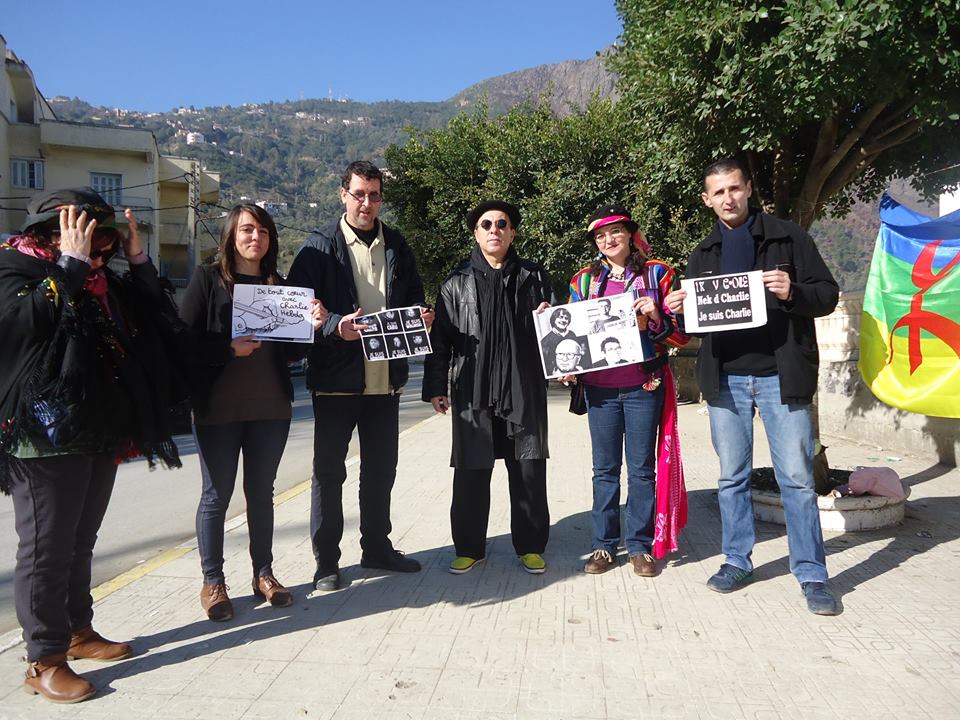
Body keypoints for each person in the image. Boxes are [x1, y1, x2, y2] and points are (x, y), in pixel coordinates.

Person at [0, 188, 186, 703]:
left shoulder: (103, 278)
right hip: (42, 437)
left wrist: (137, 259)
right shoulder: (16, 267)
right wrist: (71, 266)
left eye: (107, 243)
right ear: (51, 234)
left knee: (80, 541)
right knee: (45, 550)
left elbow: (158, 313)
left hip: (99, 427)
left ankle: (78, 632)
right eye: (93, 240)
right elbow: (21, 327)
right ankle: (44, 659)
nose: (101, 254)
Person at [664, 158, 841, 615]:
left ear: (748, 190)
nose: (728, 198)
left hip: (782, 377)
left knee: (798, 481)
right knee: (732, 478)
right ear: (707, 200)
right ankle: (737, 560)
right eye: (718, 192)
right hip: (726, 380)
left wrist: (792, 290)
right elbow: (695, 327)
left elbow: (827, 295)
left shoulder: (788, 237)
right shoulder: (702, 254)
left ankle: (811, 573)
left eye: (735, 189)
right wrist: (677, 309)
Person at [286, 161, 433, 592]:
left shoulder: (397, 244)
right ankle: (326, 563)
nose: (366, 203)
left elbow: (413, 296)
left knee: (381, 469)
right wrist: (334, 327)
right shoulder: (318, 247)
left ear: (381, 198)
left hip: (385, 380)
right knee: (329, 473)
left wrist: (421, 315)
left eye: (373, 195)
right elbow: (298, 311)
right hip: (335, 380)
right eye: (358, 194)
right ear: (342, 194)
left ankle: (377, 548)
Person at [180, 203, 327, 621]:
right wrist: (228, 347)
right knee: (216, 496)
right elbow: (184, 340)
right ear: (231, 235)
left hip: (271, 408)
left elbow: (294, 353)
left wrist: (311, 325)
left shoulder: (279, 286)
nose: (254, 238)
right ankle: (213, 582)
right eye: (246, 230)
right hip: (218, 409)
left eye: (262, 231)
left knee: (261, 494)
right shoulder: (208, 279)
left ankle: (264, 574)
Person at [423, 200, 554, 575]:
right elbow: (441, 340)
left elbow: (558, 331)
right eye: (486, 224)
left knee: (528, 470)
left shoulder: (535, 277)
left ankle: (530, 545)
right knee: (470, 472)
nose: (494, 229)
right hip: (473, 390)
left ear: (512, 232)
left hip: (523, 388)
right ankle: (469, 547)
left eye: (502, 223)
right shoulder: (455, 283)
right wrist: (437, 385)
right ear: (476, 233)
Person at [568, 205, 689, 576]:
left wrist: (656, 315)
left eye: (616, 231)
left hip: (643, 385)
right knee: (604, 470)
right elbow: (571, 334)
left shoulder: (659, 274)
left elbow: (682, 336)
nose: (609, 239)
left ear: (630, 233)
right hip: (600, 391)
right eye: (601, 235)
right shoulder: (582, 282)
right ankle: (603, 546)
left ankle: (639, 546)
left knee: (641, 470)